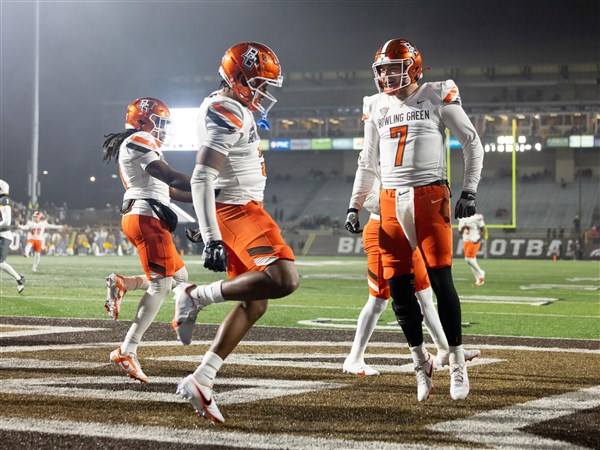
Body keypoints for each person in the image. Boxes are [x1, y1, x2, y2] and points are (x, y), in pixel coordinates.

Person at [345, 39, 483, 401]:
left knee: (440, 281)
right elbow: (367, 160)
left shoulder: (437, 93)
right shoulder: (375, 105)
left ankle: (455, 361)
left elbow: (470, 140)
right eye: (383, 69)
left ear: (414, 67)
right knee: (401, 292)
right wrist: (354, 204)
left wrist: (469, 190)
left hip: (429, 195)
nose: (388, 75)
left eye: (395, 67)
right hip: (389, 200)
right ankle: (420, 363)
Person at [173, 42, 299, 424]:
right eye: (259, 83)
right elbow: (202, 176)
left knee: (255, 302)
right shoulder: (225, 109)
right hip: (238, 209)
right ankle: (195, 295)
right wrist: (211, 234)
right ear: (238, 77)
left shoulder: (230, 105)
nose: (264, 93)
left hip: (238, 207)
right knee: (283, 277)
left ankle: (202, 378)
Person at [343, 178, 480, 381]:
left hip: (408, 229)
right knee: (379, 300)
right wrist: (401, 202)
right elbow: (368, 198)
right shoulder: (379, 159)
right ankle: (354, 358)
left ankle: (444, 351)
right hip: (383, 229)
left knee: (425, 294)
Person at [101, 97, 192, 382]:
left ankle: (124, 283)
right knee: (162, 284)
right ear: (143, 120)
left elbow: (169, 189)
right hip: (145, 217)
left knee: (179, 276)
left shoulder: (139, 142)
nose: (163, 129)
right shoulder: (138, 139)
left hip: (147, 214)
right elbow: (167, 175)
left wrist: (207, 196)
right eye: (160, 122)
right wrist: (207, 181)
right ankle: (127, 350)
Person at [0, 180, 25, 293]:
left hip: (3, 236)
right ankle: (20, 279)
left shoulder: (4, 200)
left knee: (0, 263)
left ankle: (19, 279)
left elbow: (6, 222)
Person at [458, 213, 486, 287]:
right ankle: (478, 280)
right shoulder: (461, 218)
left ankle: (481, 272)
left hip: (474, 240)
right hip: (466, 240)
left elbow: (483, 229)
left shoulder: (476, 218)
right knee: (472, 261)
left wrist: (479, 239)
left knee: (468, 259)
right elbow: (460, 232)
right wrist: (464, 227)